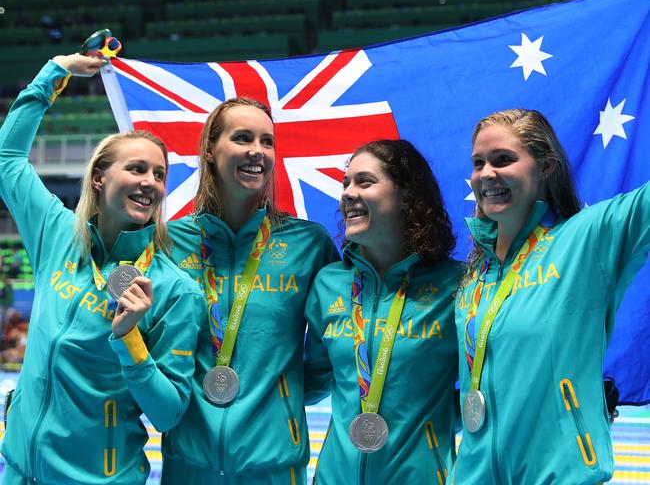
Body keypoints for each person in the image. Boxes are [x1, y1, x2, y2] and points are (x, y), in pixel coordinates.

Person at [0, 53, 205, 484]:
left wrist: (130, 339)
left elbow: (168, 413)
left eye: (159, 174)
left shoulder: (173, 289)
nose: (151, 182)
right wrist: (54, 71)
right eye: (137, 168)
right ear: (99, 177)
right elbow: (7, 159)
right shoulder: (59, 235)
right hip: (18, 470)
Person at [452, 109, 649, 484]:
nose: (487, 174)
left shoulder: (587, 238)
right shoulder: (474, 276)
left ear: (545, 167)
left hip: (559, 474)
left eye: (503, 159)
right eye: (478, 163)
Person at [161, 97, 340, 484]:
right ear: (210, 150)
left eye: (267, 141)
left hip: (273, 467)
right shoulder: (168, 243)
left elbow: (333, 344)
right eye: (242, 138)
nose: (257, 151)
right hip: (187, 466)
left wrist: (281, 400)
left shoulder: (309, 245)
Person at [303, 139, 463, 484]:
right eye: (346, 183)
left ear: (407, 196)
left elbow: (486, 385)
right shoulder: (329, 283)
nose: (348, 193)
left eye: (364, 181)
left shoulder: (456, 286)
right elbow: (313, 378)